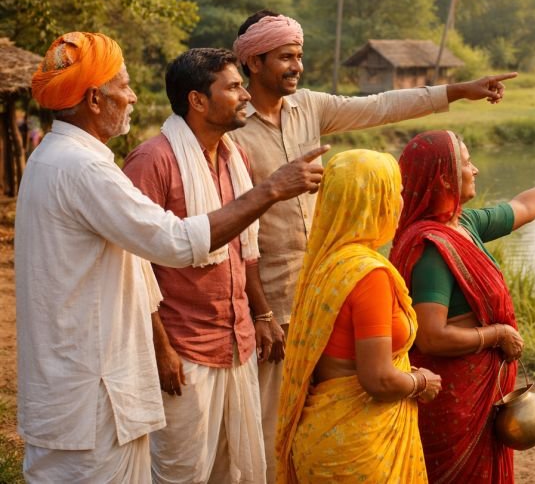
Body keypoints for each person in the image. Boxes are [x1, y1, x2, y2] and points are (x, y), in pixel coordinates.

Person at [16, 32, 326, 482]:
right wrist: (272, 190)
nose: (133, 95)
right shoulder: (85, 167)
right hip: (94, 388)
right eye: (122, 85)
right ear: (94, 100)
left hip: (91, 382)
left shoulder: (60, 157)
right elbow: (175, 243)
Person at [229, 9, 515, 480]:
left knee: (330, 407)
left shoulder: (310, 107)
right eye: (285, 57)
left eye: (299, 56)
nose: (296, 66)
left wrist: (458, 91)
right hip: (274, 301)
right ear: (254, 63)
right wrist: (259, 312)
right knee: (273, 417)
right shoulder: (233, 128)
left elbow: (380, 105)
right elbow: (240, 232)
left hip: (328, 290)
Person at [389, 130, 535, 483]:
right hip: (453, 399)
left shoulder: (464, 224)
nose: (476, 170)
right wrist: (497, 334)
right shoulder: (432, 250)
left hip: (483, 391)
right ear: (443, 178)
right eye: (467, 162)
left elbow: (524, 207)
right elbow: (432, 338)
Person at [122, 48, 286, 482]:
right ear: (197, 100)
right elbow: (131, 265)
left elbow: (243, 249)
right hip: (184, 347)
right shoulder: (152, 161)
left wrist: (262, 312)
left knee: (232, 469)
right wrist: (160, 348)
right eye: (233, 87)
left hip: (237, 340)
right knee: (181, 470)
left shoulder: (236, 157)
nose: (246, 95)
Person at [275, 150, 442, 483]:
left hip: (322, 433)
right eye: (394, 192)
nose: (399, 202)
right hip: (358, 449)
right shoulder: (368, 276)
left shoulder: (326, 264)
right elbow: (378, 379)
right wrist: (421, 382)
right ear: (374, 202)